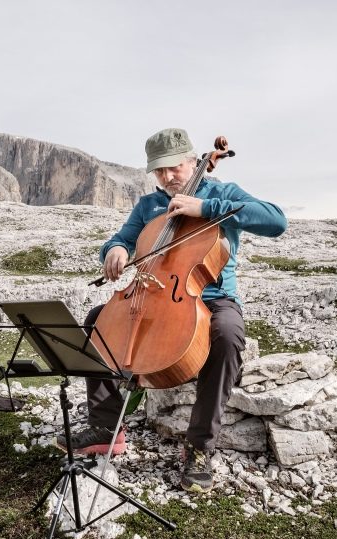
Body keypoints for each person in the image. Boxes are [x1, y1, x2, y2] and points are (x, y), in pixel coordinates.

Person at [59, 128, 288, 493]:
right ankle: (106, 426)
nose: (166, 178)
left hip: (211, 298)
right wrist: (114, 251)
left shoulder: (221, 194)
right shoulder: (149, 205)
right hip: (150, 293)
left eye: (173, 169)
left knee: (226, 336)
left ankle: (199, 447)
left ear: (192, 161)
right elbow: (121, 239)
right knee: (95, 321)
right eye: (158, 171)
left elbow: (277, 221)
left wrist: (206, 208)